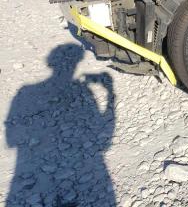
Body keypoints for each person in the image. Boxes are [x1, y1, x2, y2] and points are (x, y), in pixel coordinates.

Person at [5, 44, 115, 206]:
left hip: (28, 167)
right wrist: (110, 93)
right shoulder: (84, 91)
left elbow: (11, 139)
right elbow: (105, 136)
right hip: (89, 163)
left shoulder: (25, 92)